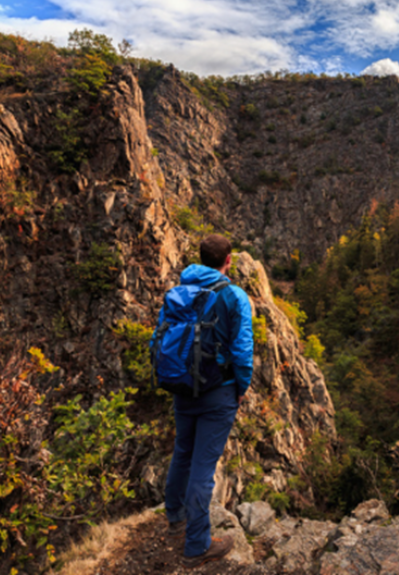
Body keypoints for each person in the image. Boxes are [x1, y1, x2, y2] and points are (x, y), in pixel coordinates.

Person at [162, 234, 253, 568]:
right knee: (203, 466)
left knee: (183, 452)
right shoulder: (233, 295)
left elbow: (161, 338)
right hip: (219, 390)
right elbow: (242, 350)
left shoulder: (178, 292)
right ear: (228, 260)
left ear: (200, 259)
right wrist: (241, 386)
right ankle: (197, 545)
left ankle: (176, 521)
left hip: (182, 387)